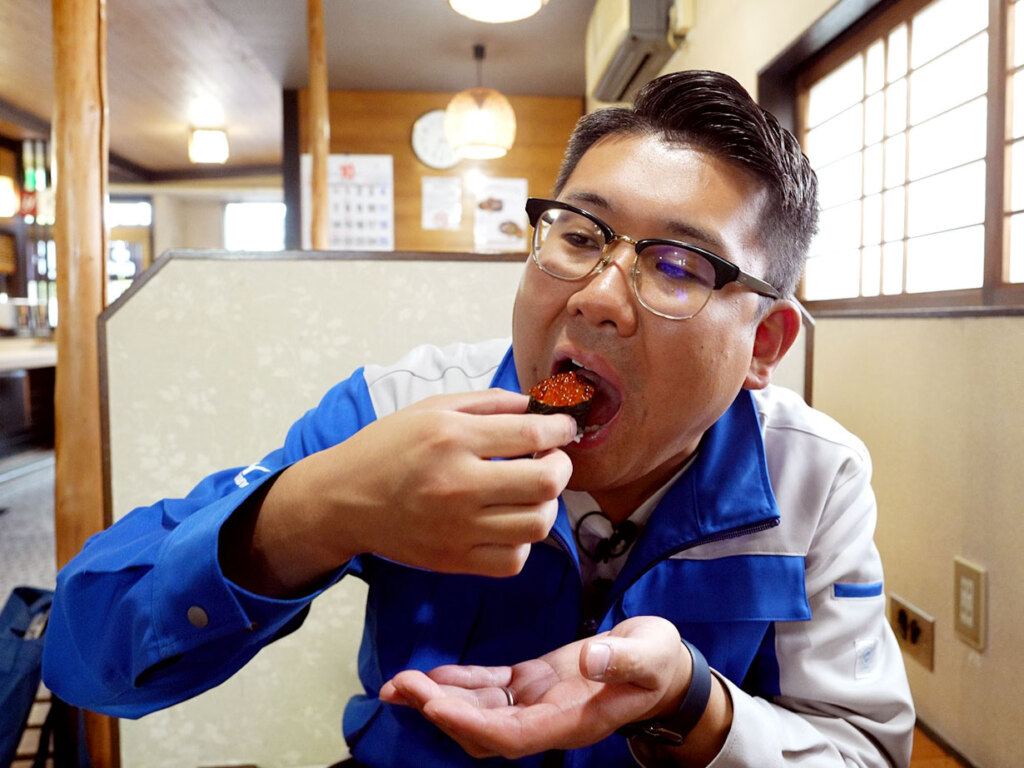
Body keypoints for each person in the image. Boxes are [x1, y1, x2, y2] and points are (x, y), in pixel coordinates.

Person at [42, 70, 914, 767]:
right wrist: (321, 507)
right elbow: (86, 652)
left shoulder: (815, 477)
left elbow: (867, 749)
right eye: (579, 235)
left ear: (765, 341)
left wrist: (689, 701)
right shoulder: (399, 412)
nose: (600, 296)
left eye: (678, 266)